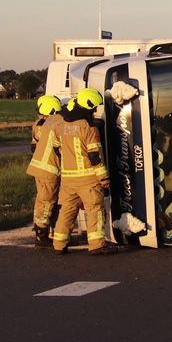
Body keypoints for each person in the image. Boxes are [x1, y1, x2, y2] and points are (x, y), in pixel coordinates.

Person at [50, 88, 116, 255]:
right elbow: (95, 157)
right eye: (93, 108)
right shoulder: (88, 128)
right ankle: (97, 245)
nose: (94, 111)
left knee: (67, 211)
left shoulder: (62, 125)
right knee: (95, 210)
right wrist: (104, 178)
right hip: (88, 179)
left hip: (67, 180)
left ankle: (59, 244)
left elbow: (58, 148)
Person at [26, 95, 63, 247]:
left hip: (41, 168)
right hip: (48, 169)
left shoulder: (40, 124)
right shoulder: (46, 126)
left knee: (47, 201)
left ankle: (49, 231)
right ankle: (41, 233)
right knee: (47, 202)